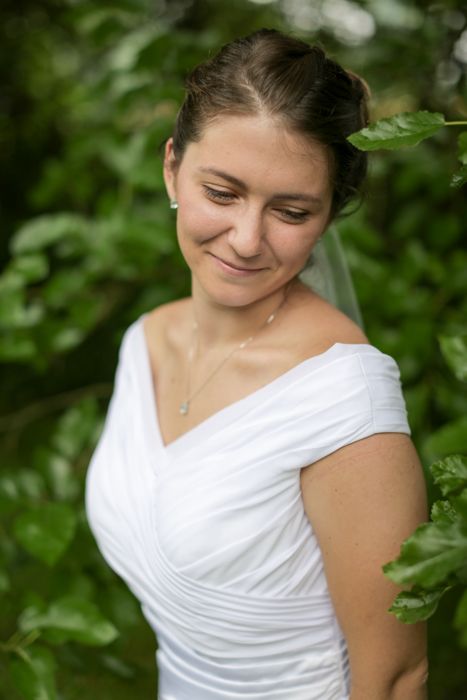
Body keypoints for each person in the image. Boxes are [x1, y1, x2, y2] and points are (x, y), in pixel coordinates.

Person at [85, 28, 428, 700]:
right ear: (171, 169)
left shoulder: (341, 399)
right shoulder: (142, 342)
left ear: (329, 215)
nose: (246, 240)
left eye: (291, 210)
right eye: (222, 192)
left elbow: (395, 676)